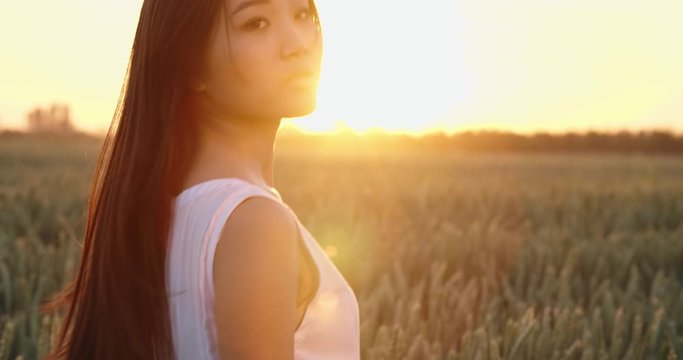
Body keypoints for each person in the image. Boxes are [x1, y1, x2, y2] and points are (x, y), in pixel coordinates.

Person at [39, 0, 360, 358]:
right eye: (256, 23)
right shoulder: (256, 223)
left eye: (302, 14)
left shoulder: (172, 208)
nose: (298, 42)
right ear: (189, 66)